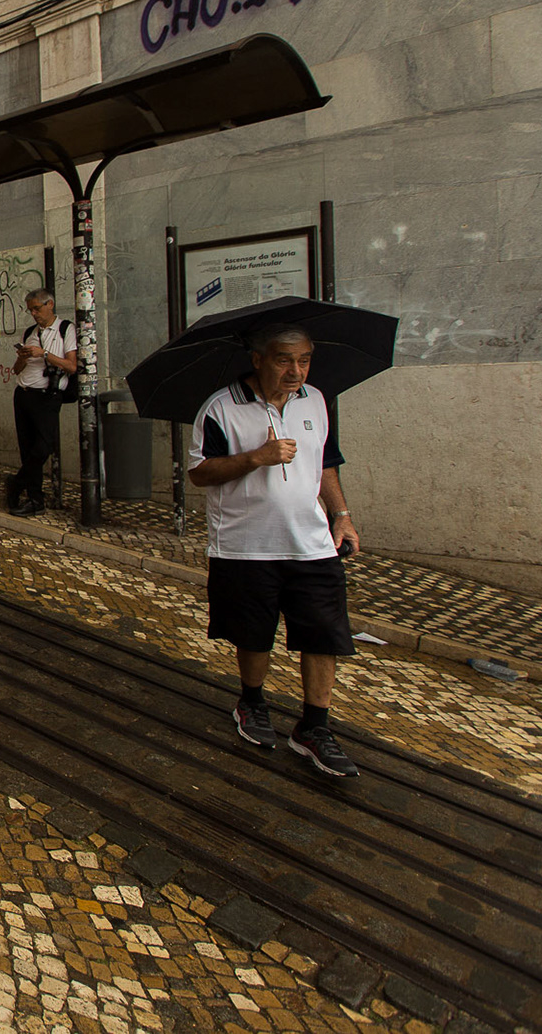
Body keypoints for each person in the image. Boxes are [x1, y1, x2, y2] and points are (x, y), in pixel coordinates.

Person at [186, 323, 363, 778]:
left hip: (312, 543)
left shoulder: (316, 400)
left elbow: (325, 463)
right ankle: (252, 701)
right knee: (253, 634)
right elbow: (200, 473)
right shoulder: (221, 407)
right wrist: (256, 458)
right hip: (245, 546)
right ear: (258, 359)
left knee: (323, 634)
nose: (296, 371)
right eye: (285, 360)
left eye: (304, 360)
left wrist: (341, 515)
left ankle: (314, 726)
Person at [6, 289, 76, 515]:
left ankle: (17, 483)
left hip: (47, 396)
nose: (34, 314)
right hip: (24, 393)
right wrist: (22, 358)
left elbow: (72, 366)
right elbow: (16, 369)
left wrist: (44, 354)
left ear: (50, 305)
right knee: (27, 448)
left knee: (44, 446)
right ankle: (35, 499)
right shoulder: (30, 332)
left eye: (37, 309)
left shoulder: (65, 329)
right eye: (31, 310)